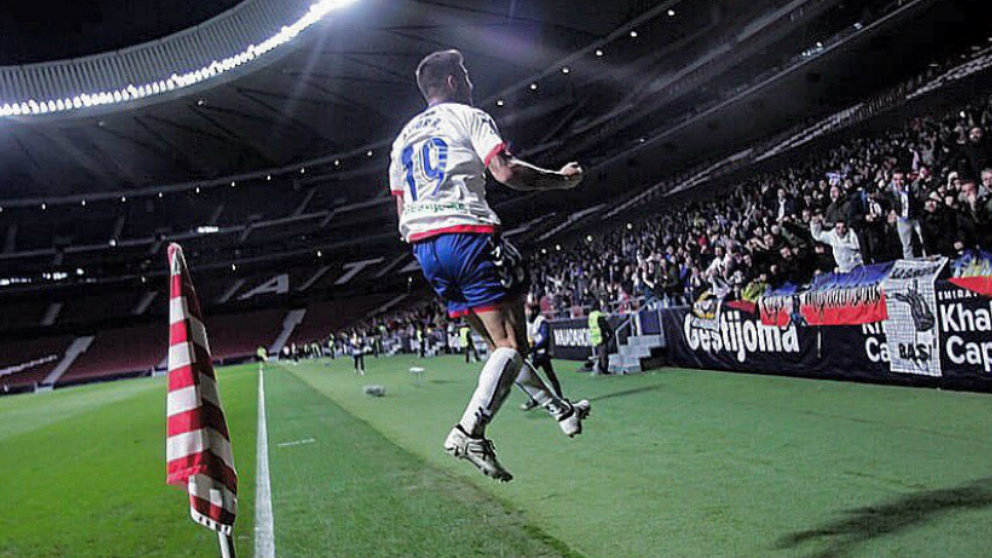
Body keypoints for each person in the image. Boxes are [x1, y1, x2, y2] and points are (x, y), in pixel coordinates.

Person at [388, 49, 590, 482]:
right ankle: (469, 431)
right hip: (468, 235)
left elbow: (401, 204)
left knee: (502, 350)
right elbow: (504, 171)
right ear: (452, 82)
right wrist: (562, 180)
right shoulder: (468, 115)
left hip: (425, 248)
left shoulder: (402, 138)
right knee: (512, 346)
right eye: (464, 73)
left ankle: (560, 409)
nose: (470, 80)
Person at [520, 302, 563, 411]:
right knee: (532, 378)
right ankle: (536, 399)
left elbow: (545, 338)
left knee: (548, 376)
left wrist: (533, 348)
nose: (527, 313)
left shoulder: (541, 321)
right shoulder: (528, 323)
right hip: (534, 354)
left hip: (542, 353)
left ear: (534, 311)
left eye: (528, 310)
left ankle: (559, 398)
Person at [587, 300, 612, 375]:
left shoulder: (591, 315)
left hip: (594, 336)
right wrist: (609, 332)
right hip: (601, 335)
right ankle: (604, 369)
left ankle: (600, 368)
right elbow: (604, 325)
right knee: (604, 354)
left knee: (600, 353)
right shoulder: (599, 315)